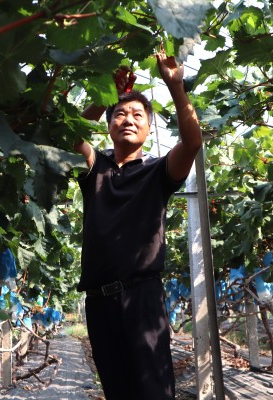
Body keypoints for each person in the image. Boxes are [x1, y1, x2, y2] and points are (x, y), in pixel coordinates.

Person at [73, 49, 202, 400]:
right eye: (119, 114)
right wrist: (104, 95)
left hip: (142, 298)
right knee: (117, 392)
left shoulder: (157, 172)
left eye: (136, 115)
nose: (128, 119)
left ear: (148, 127)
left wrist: (176, 87)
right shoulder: (94, 170)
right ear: (109, 125)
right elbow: (70, 137)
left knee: (153, 393)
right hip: (99, 303)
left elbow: (192, 142)